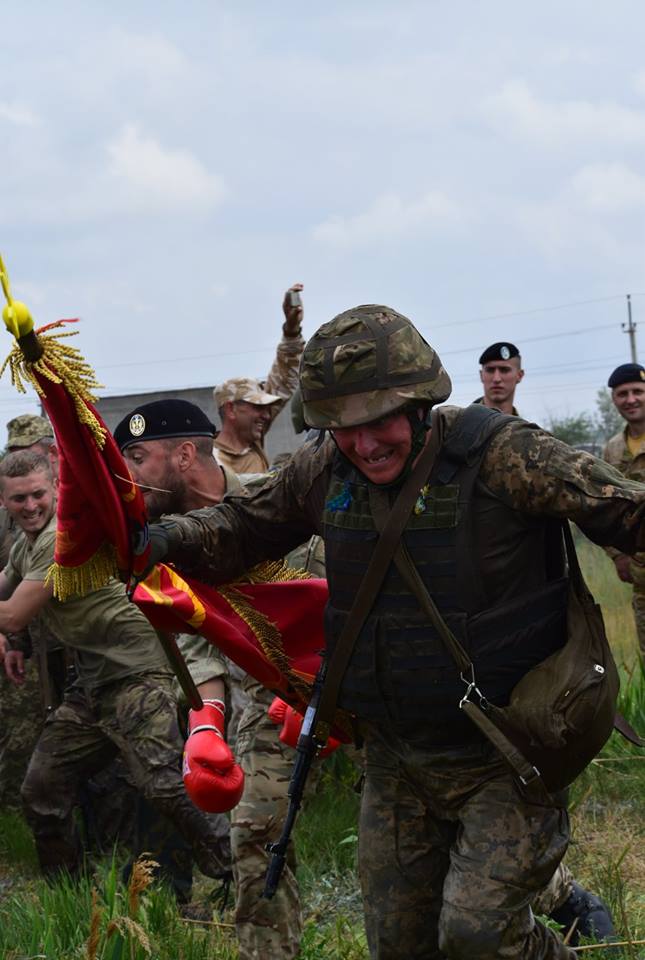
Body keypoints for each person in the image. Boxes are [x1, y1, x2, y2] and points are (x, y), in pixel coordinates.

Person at [141, 304, 645, 960]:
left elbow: (618, 507)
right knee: (400, 944)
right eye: (343, 427)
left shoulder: (498, 455)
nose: (364, 443)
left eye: (378, 421)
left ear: (417, 404)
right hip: (395, 756)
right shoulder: (325, 470)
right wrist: (160, 538)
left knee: (478, 935)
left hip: (506, 751)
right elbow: (242, 526)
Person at [114, 398, 317, 960]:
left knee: (426, 802)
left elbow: (343, 593)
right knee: (253, 833)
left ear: (183, 455)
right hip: (262, 706)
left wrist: (318, 682)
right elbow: (200, 636)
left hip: (356, 687)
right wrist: (208, 721)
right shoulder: (168, 538)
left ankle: (552, 890)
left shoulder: (279, 501)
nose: (127, 476)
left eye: (136, 457)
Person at [0, 448, 231, 882]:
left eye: (37, 495)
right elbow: (4, 587)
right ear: (4, 503)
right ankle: (64, 889)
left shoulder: (56, 540)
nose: (30, 507)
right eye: (18, 500)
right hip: (93, 684)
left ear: (53, 489)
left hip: (138, 672)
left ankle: (242, 869)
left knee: (165, 783)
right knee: (43, 787)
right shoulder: (25, 544)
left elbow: (12, 615)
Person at [213, 283, 305, 475]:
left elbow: (285, 377)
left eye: (266, 408)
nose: (266, 414)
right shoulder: (212, 462)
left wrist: (291, 330)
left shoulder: (253, 440)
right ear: (231, 409)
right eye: (257, 407)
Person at [603, 362, 645, 659]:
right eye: (622, 394)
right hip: (640, 579)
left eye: (637, 391)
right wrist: (617, 555)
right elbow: (602, 507)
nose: (630, 399)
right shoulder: (613, 450)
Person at [475, 341, 524, 415]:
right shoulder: (459, 424)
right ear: (481, 375)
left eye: (504, 370)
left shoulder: (525, 426)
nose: (496, 379)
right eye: (490, 370)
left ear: (519, 375)